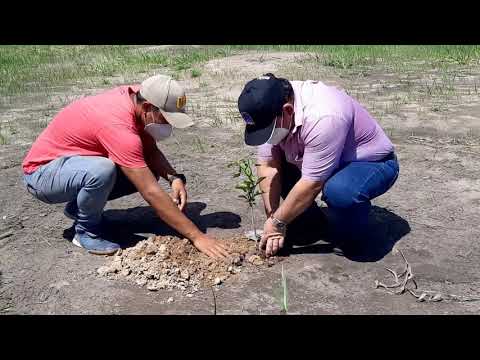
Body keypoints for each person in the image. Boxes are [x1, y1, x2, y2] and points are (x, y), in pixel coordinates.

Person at [23, 74, 229, 258]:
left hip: (73, 166)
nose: (168, 125)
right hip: (42, 174)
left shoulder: (137, 97)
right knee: (102, 171)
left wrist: (174, 178)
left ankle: (79, 207)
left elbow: (149, 151)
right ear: (148, 107)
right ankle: (85, 232)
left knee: (142, 169)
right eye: (165, 118)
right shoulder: (118, 126)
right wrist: (197, 236)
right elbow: (150, 191)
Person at [237, 73, 399, 257]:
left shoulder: (324, 115)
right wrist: (273, 217)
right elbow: (267, 166)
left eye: (268, 130)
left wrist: (277, 223)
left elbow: (312, 183)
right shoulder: (269, 110)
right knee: (302, 231)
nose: (266, 136)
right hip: (321, 160)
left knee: (340, 191)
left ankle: (355, 233)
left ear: (288, 111)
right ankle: (313, 224)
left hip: (370, 164)